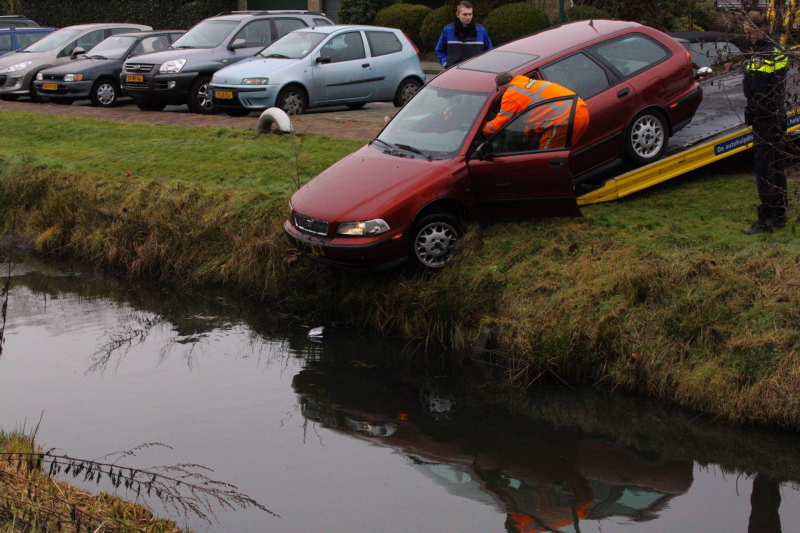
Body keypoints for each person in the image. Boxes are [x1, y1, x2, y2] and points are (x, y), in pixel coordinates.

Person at [741, 10, 788, 234]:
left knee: (764, 168)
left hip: (765, 119)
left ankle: (766, 218)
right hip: (778, 115)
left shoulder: (761, 55)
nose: (744, 28)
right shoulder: (777, 49)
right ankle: (780, 214)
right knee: (777, 165)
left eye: (746, 24)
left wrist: (746, 76)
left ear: (755, 27)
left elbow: (754, 89)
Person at [482, 71, 589, 150]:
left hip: (565, 120)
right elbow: (534, 116)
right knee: (565, 152)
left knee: (545, 157)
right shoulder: (528, 82)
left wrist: (480, 128)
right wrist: (527, 139)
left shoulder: (511, 95)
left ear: (501, 88)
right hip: (580, 110)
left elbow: (497, 125)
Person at [435, 1, 493, 69]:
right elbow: (439, 50)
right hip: (454, 72)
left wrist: (483, 65)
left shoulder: (481, 31)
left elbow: (489, 52)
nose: (468, 17)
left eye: (470, 14)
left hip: (475, 71)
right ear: (457, 14)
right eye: (465, 14)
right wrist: (445, 63)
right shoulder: (448, 31)